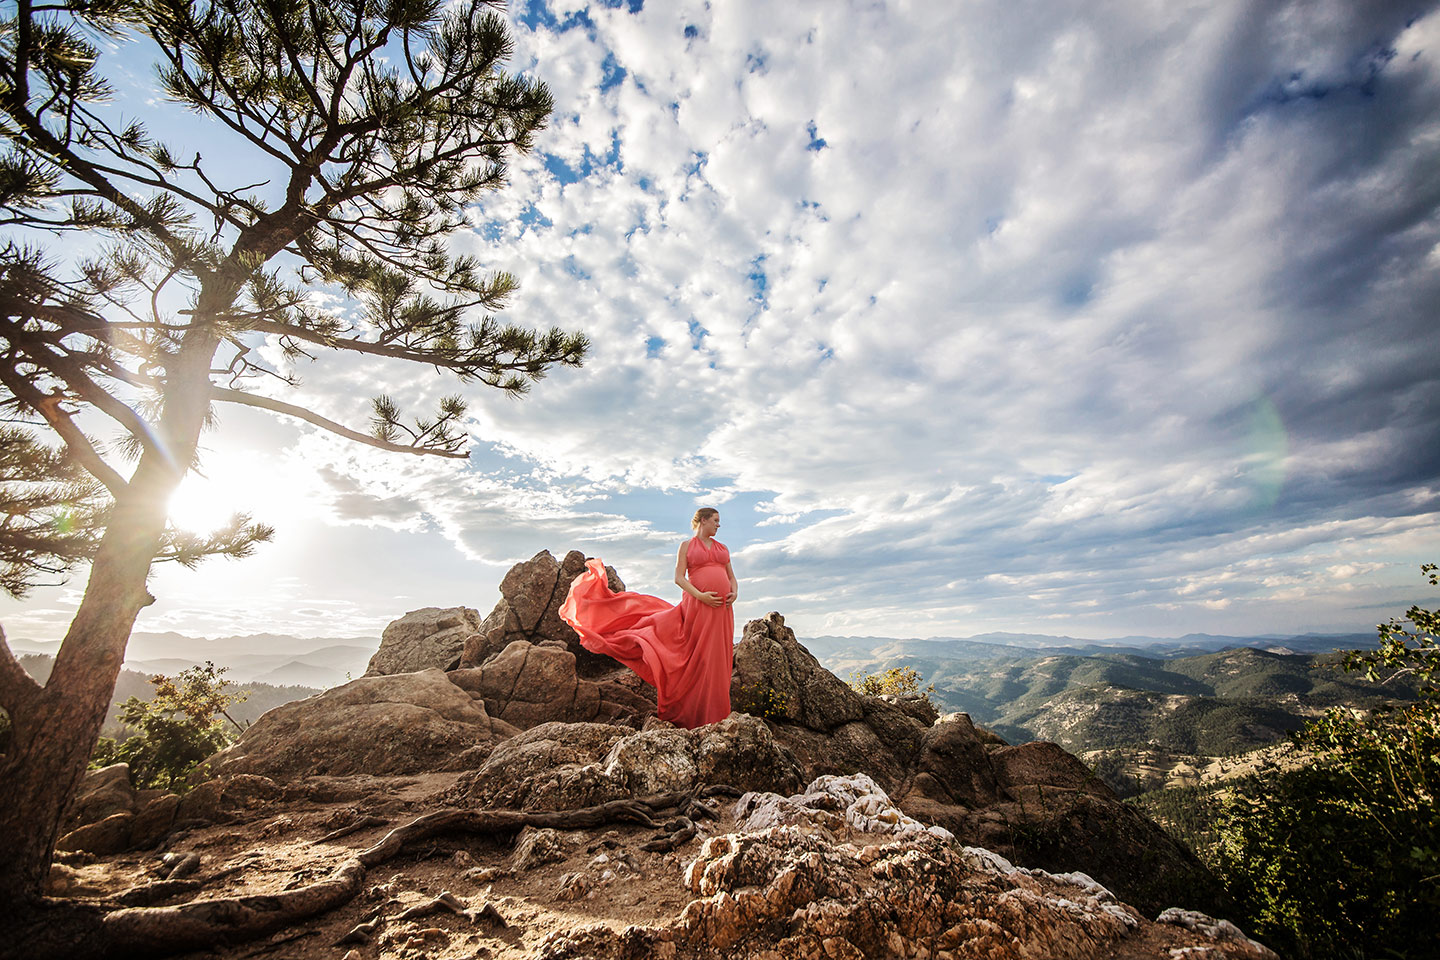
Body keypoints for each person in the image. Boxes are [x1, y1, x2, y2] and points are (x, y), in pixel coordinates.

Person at [559, 507, 737, 729]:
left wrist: (734, 592)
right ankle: (694, 712)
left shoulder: (723, 548)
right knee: (697, 655)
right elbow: (679, 578)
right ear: (703, 520)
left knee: (718, 656)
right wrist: (701, 596)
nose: (719, 525)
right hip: (698, 606)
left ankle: (717, 712)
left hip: (722, 609)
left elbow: (731, 576)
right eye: (715, 520)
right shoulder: (687, 546)